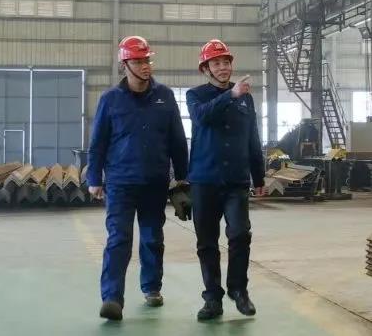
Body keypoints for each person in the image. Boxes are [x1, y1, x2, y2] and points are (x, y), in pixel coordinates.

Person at [87, 36, 189, 321]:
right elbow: (98, 143)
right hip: (120, 182)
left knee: (152, 238)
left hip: (155, 181)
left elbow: (177, 140)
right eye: (139, 61)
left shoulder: (165, 96)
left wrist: (183, 178)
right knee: (118, 239)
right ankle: (111, 298)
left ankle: (152, 287)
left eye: (147, 60)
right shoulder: (110, 100)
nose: (145, 66)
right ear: (125, 65)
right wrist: (94, 178)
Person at [186, 39, 265, 321]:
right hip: (204, 181)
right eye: (216, 63)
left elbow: (252, 137)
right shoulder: (196, 96)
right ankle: (212, 299)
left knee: (240, 234)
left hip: (236, 181)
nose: (223, 67)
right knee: (207, 242)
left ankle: (238, 290)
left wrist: (259, 175)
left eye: (226, 62)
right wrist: (230, 95)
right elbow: (201, 118)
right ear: (205, 69)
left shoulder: (245, 98)